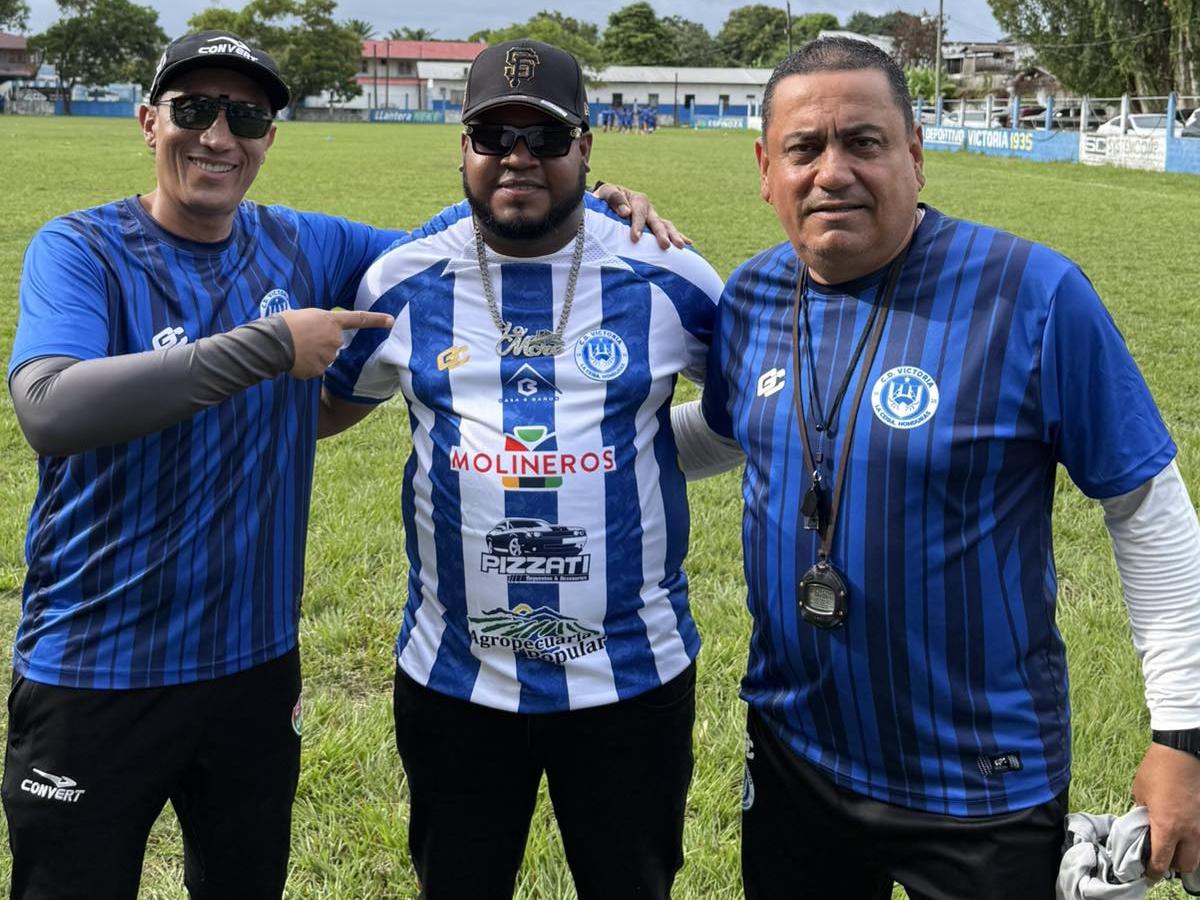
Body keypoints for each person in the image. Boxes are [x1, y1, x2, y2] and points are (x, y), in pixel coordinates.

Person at [2, 29, 685, 900]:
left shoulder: (303, 245)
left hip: (251, 669)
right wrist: (266, 345)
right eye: (194, 109)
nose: (218, 136)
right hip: (93, 666)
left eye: (245, 117)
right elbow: (51, 410)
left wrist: (592, 197)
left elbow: (481, 230)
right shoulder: (81, 248)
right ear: (148, 122)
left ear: (268, 138)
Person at [698, 36, 1200, 900]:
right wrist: (568, 441)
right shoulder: (750, 297)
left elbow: (1148, 513)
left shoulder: (1033, 294)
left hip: (982, 782)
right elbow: (726, 433)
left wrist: (1182, 736)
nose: (832, 172)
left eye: (863, 142)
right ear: (765, 169)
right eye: (804, 148)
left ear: (915, 152)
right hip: (794, 756)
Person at [320, 39, 725, 900]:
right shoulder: (401, 282)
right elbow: (324, 412)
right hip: (453, 682)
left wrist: (642, 457)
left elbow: (741, 419)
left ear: (586, 145)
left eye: (544, 136)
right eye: (492, 135)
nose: (517, 156)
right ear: (461, 147)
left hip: (632, 679)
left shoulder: (670, 276)